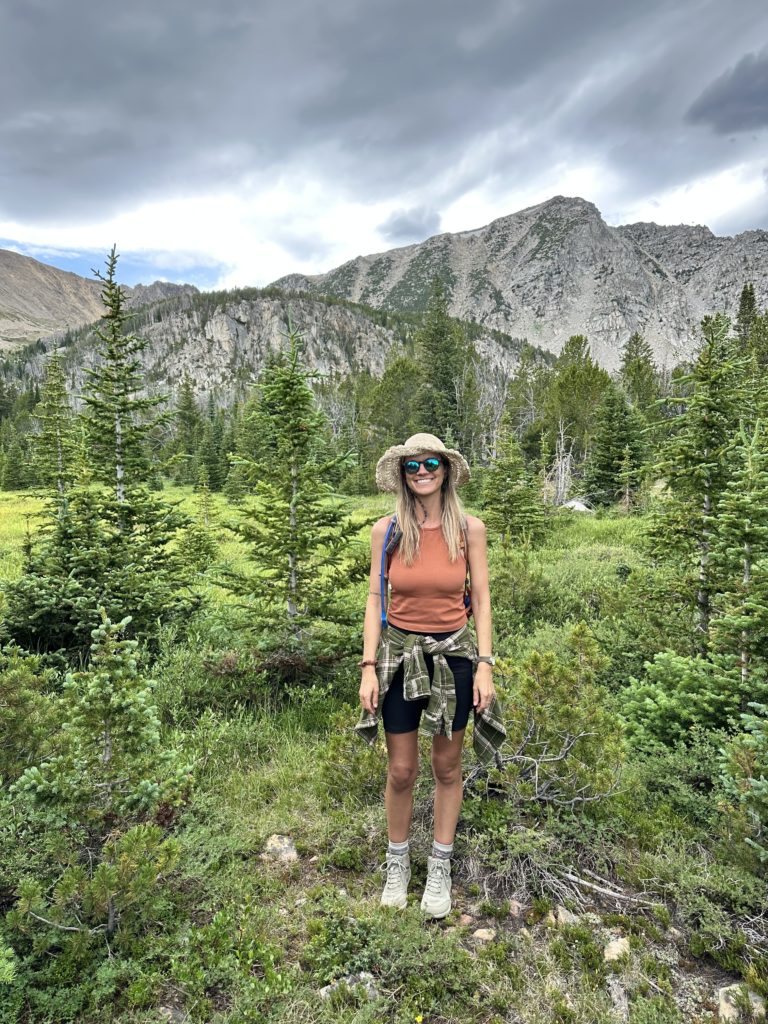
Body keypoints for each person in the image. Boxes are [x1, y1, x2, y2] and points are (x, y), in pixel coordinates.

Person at [356, 433, 506, 918]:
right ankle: (397, 863)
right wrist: (368, 668)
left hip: (455, 657)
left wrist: (485, 665)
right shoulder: (388, 531)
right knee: (401, 770)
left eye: (431, 462)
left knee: (447, 766)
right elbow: (376, 600)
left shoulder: (470, 529)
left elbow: (480, 600)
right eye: (413, 465)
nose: (422, 472)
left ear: (447, 469)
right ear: (402, 473)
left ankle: (439, 867)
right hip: (399, 656)